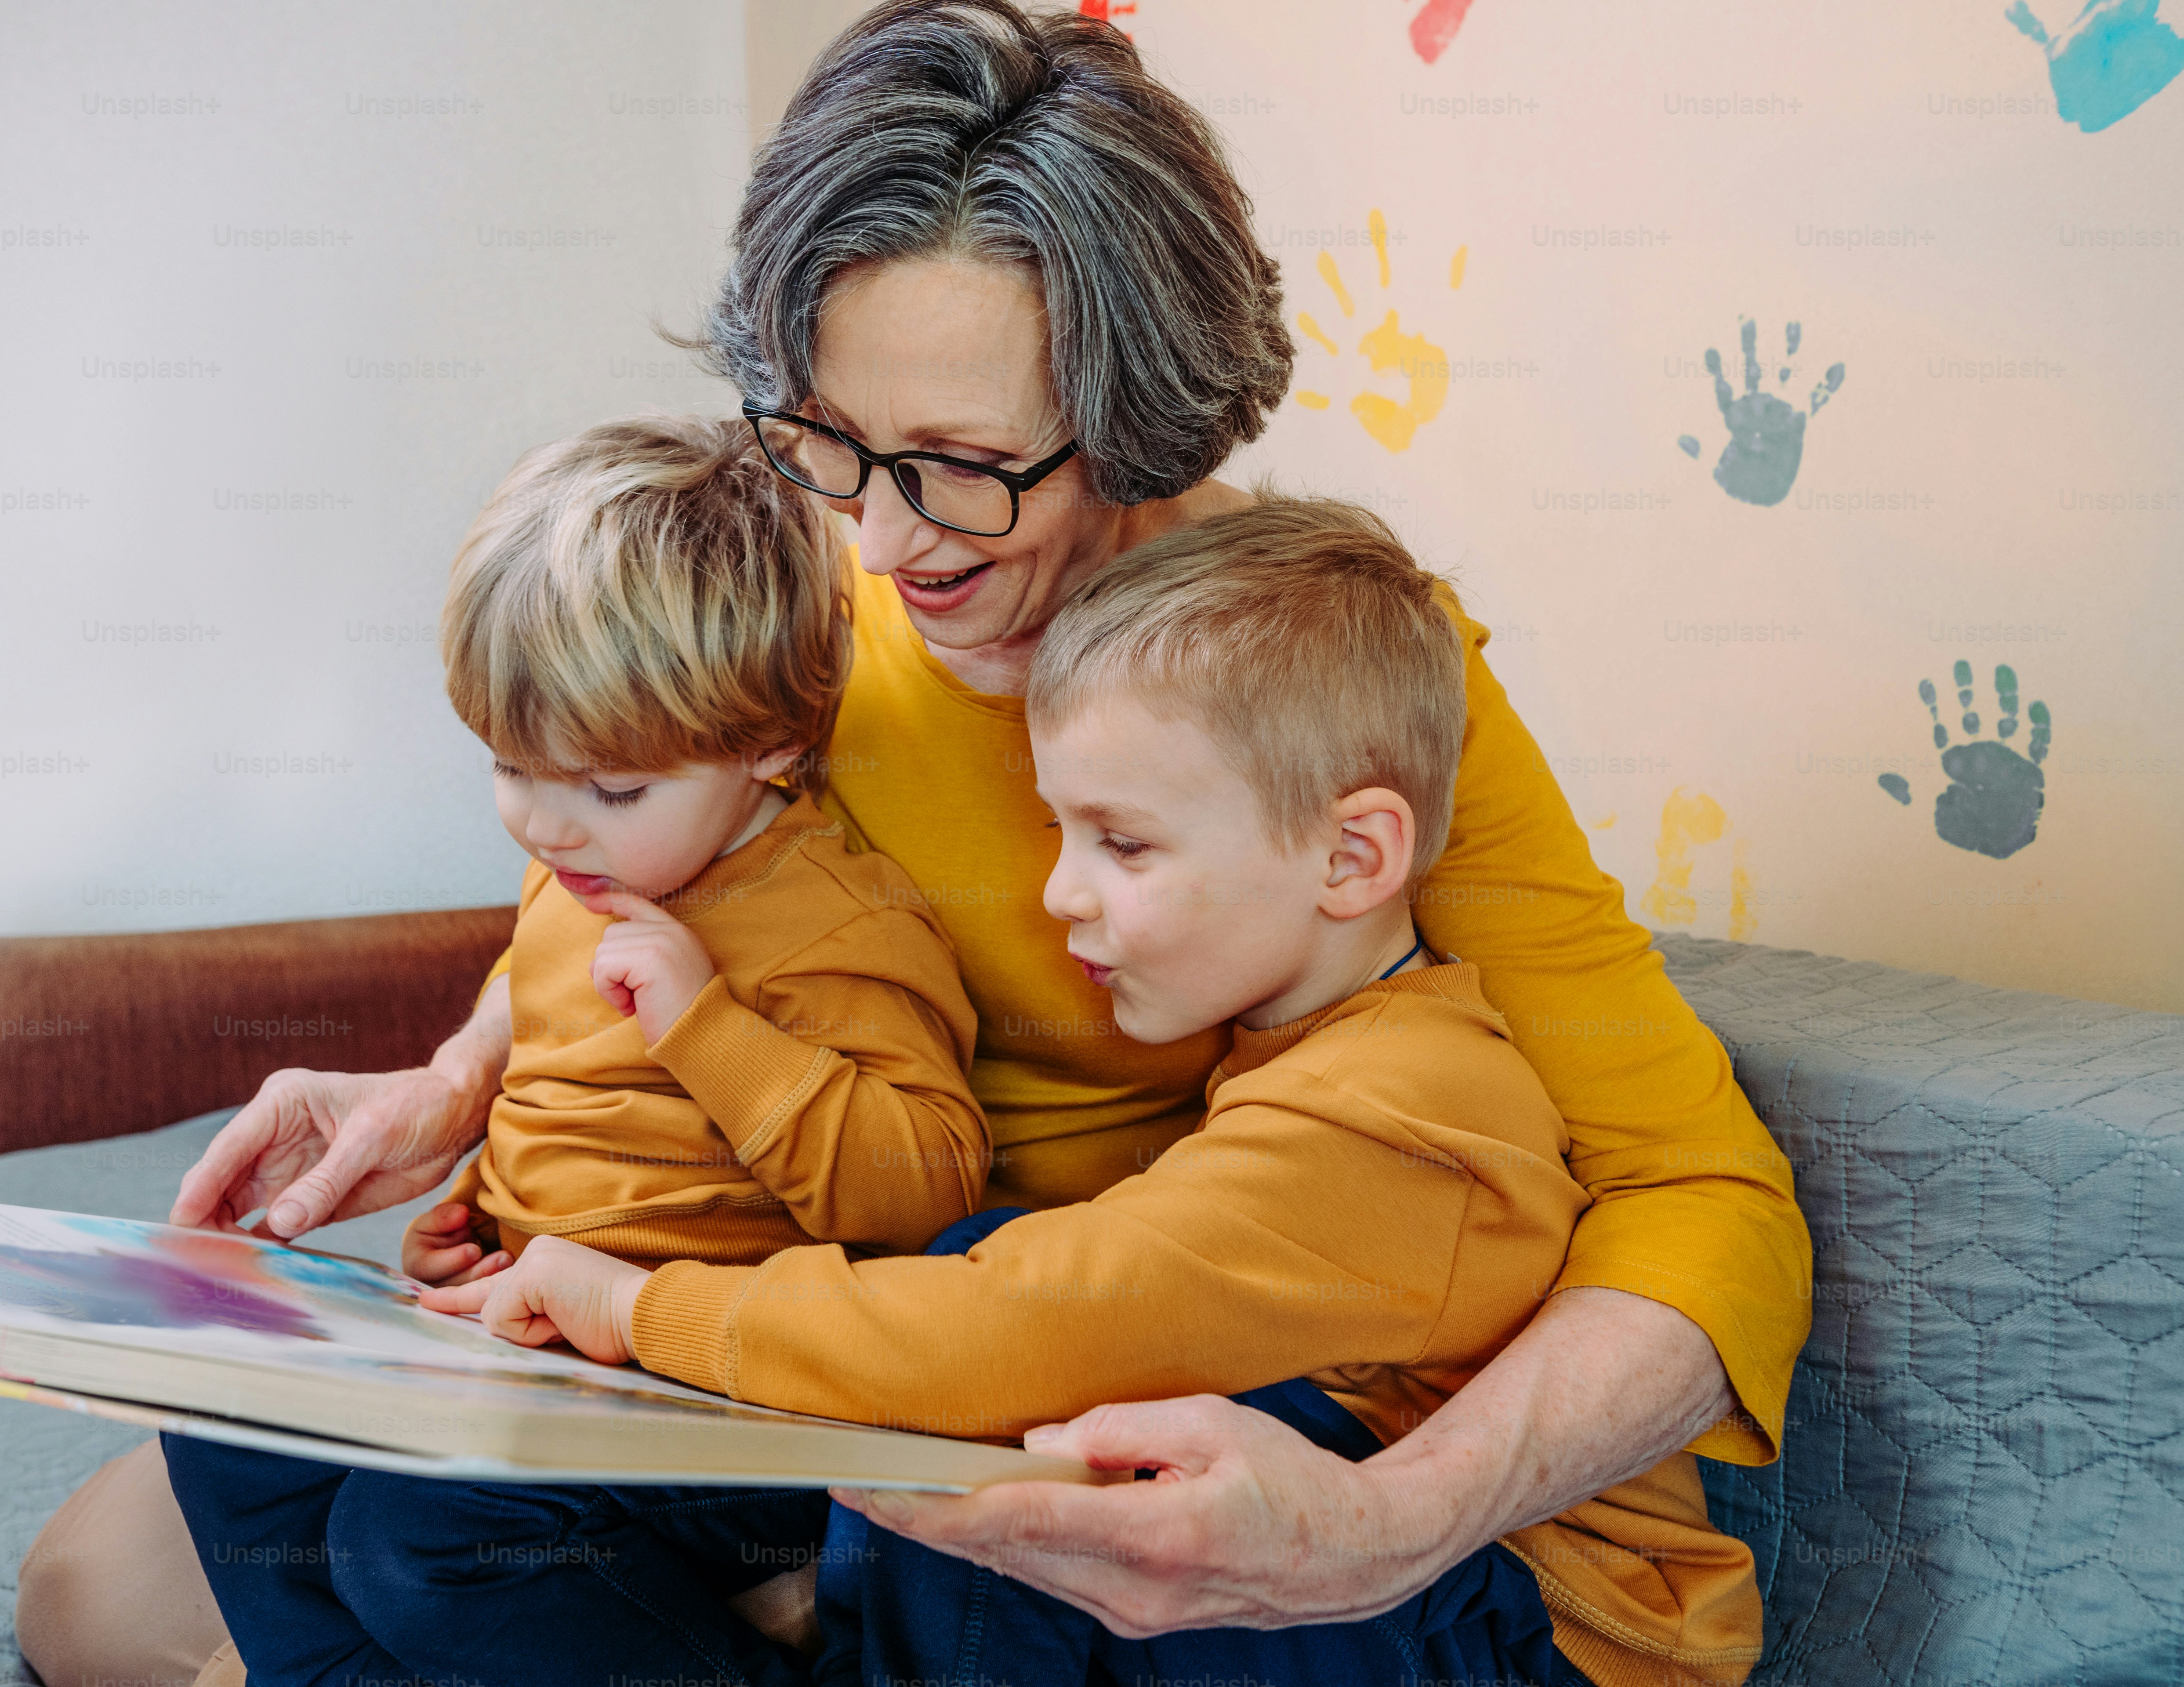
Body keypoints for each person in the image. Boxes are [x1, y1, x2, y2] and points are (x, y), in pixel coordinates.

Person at [17, 0, 1808, 1687]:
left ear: (1135, 423)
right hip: (811, 1311)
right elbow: (644, 868)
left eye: (961, 463)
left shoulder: (1313, 687)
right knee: (93, 1591)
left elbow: (1700, 1199)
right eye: (829, 441)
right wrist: (456, 1081)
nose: (882, 543)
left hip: (1039, 1345)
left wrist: (1390, 1525)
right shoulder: (816, 611)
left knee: (431, 1571)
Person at [441, 495, 1762, 1687]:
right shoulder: (1323, 1047)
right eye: (1063, 830)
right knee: (1006, 1373)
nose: (1058, 893)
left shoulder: (1396, 1112)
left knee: (1007, 1452)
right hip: (1397, 1566)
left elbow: (1021, 1326)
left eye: (1121, 843)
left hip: (1537, 1631)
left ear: (1353, 856)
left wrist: (636, 1306)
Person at [152, 414, 989, 1687]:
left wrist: (710, 1029)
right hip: (536, 1345)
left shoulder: (837, 924)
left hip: (727, 1397)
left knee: (420, 1543)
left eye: (609, 788)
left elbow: (927, 1180)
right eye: (511, 767)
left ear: (772, 743)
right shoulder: (588, 872)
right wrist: (486, 1196)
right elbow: (571, 1070)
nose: (547, 826)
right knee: (217, 1410)